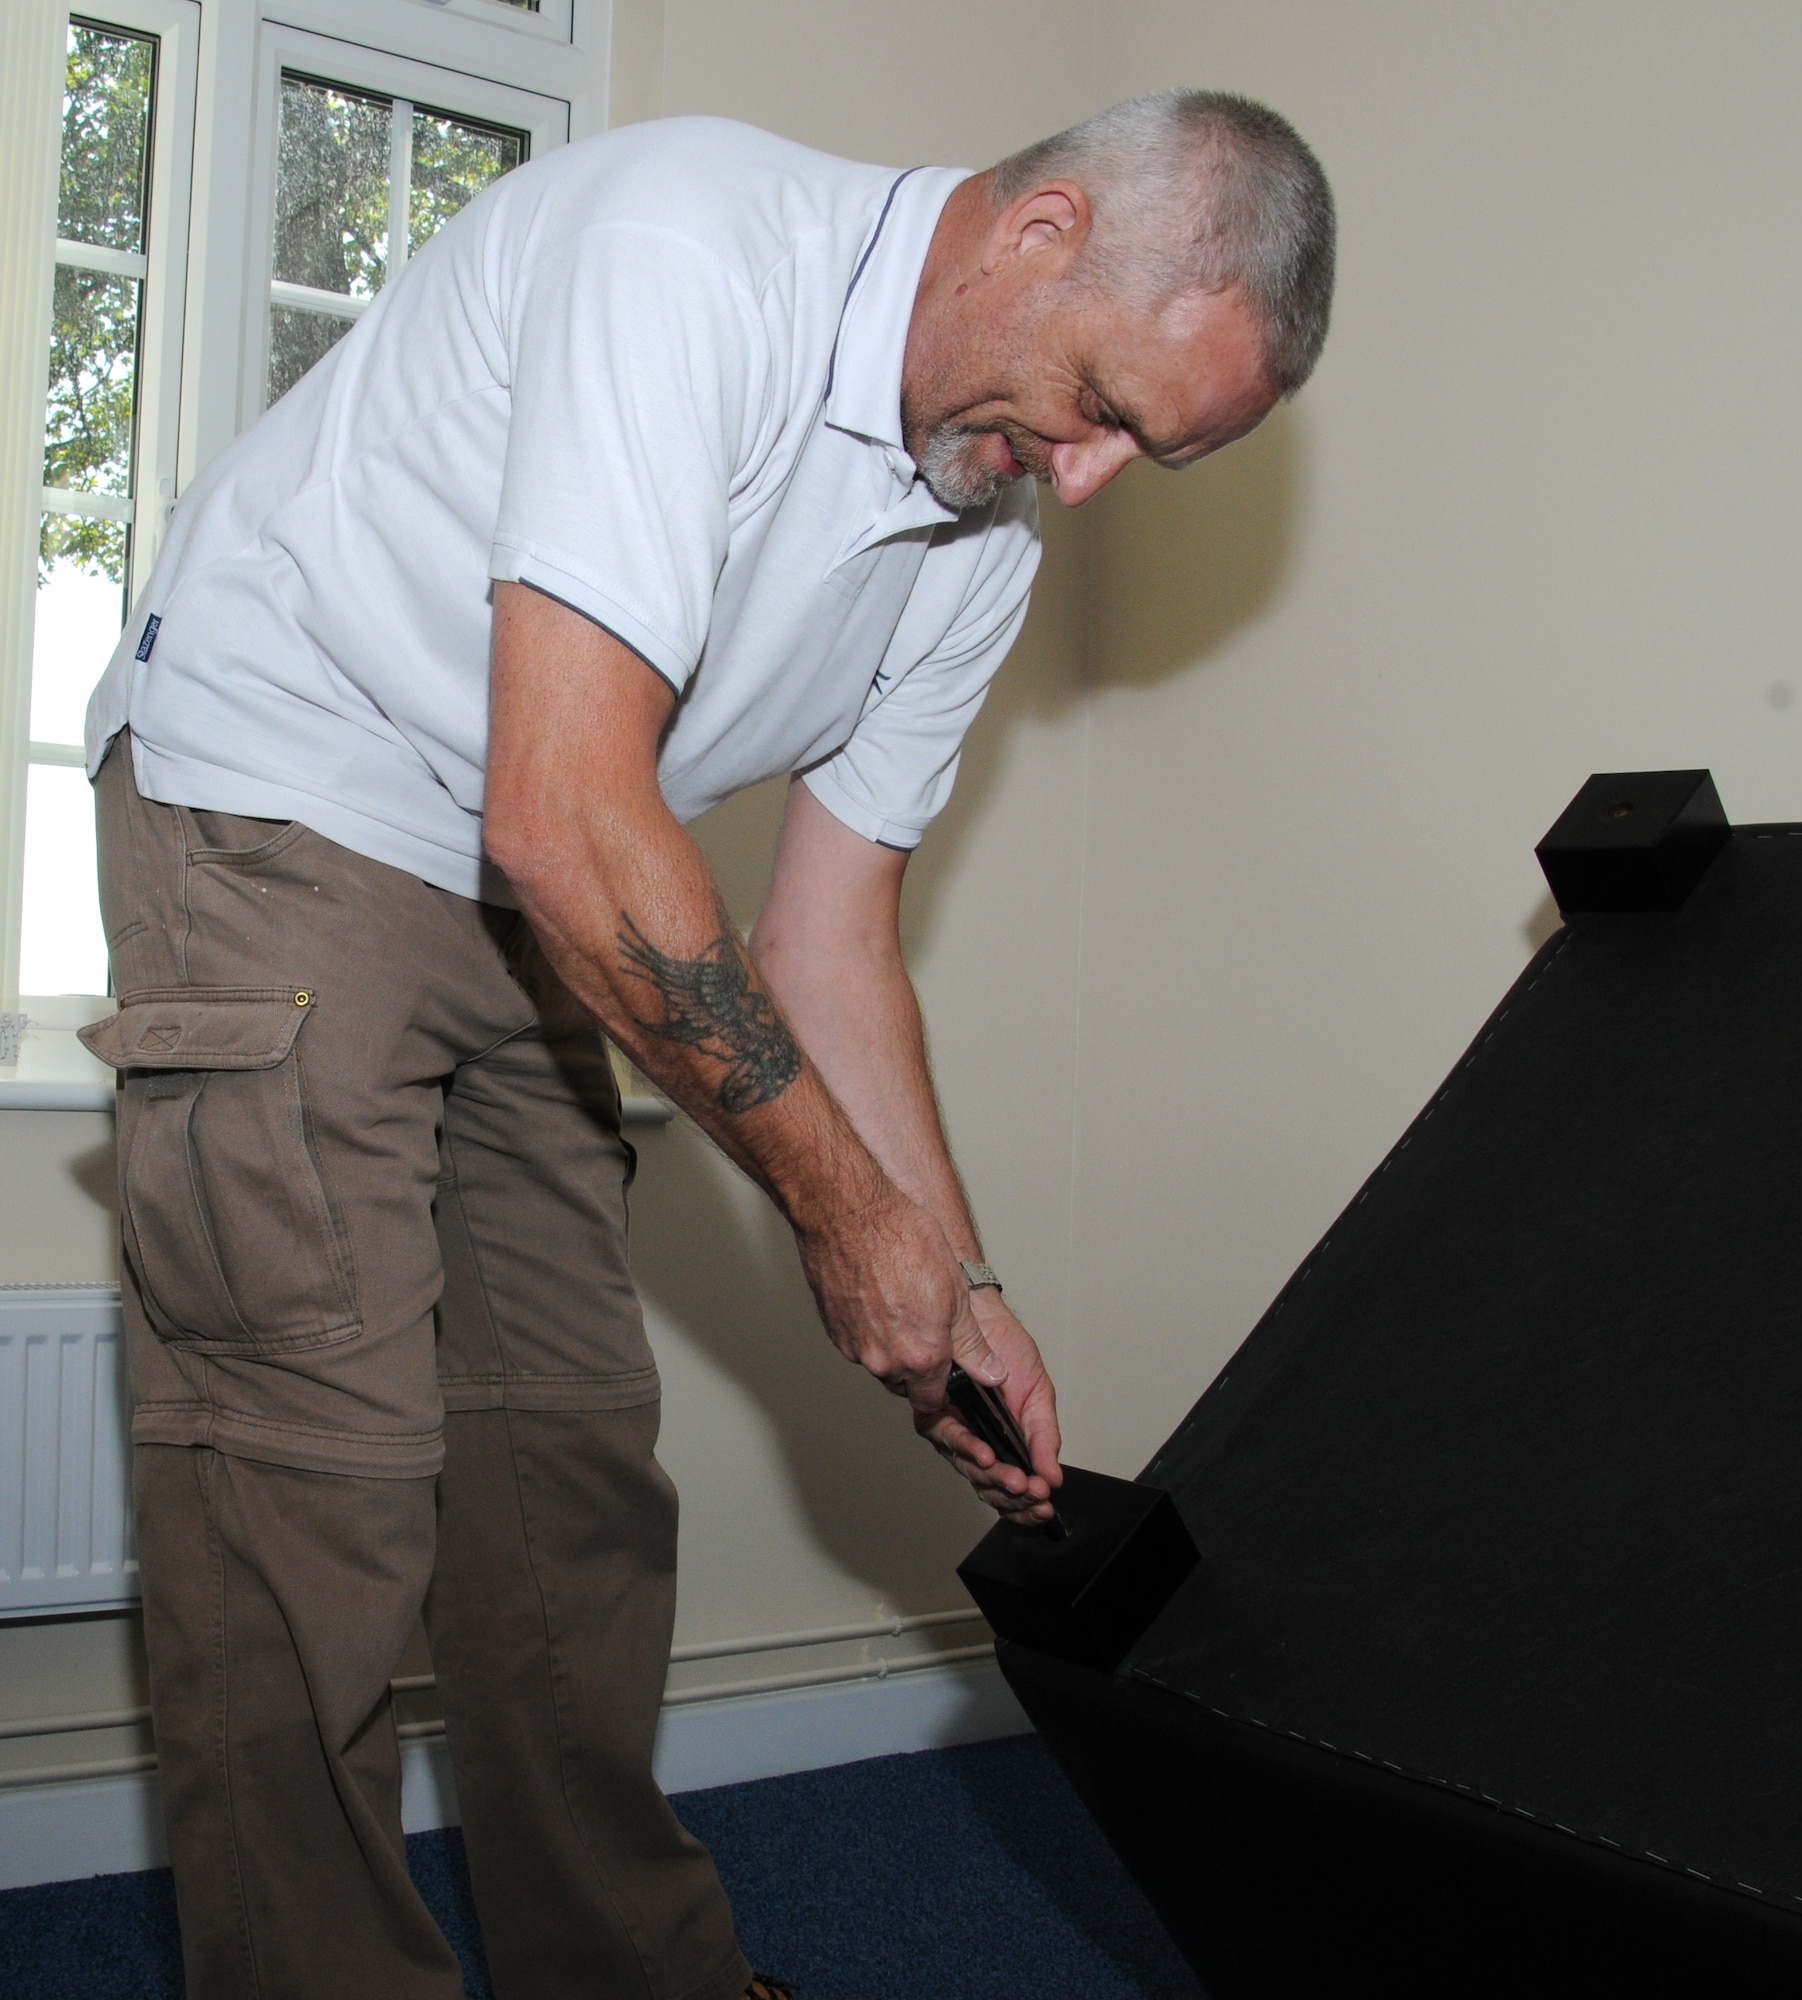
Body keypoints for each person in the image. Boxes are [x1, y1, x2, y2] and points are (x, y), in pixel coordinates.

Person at [79, 87, 1334, 2000]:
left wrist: (952, 1277)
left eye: (1134, 460)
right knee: (311, 1478)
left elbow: (826, 945)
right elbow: (572, 809)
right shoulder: (689, 253)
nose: (1083, 481)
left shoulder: (974, 532)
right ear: (1041, 232)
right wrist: (848, 1225)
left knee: (566, 1462)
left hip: (530, 877)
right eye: (1104, 406)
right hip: (284, 792)